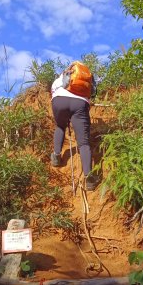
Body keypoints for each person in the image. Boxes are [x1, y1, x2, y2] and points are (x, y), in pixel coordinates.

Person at [50, 61, 99, 190]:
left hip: (59, 101)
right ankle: (89, 178)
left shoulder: (62, 77)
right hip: (80, 103)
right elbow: (93, 93)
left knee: (60, 126)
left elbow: (53, 91)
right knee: (83, 143)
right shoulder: (87, 80)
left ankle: (56, 156)